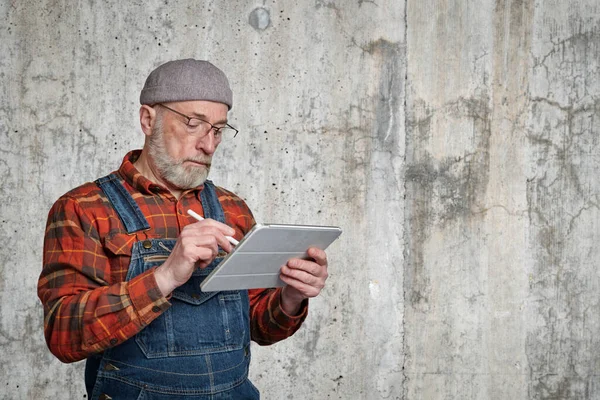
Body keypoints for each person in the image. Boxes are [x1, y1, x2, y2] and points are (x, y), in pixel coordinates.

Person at [38, 59, 330, 400]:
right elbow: (63, 335)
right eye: (194, 124)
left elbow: (257, 327)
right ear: (149, 120)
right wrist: (165, 277)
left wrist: (292, 295)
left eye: (218, 130)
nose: (208, 145)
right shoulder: (84, 208)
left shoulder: (232, 209)